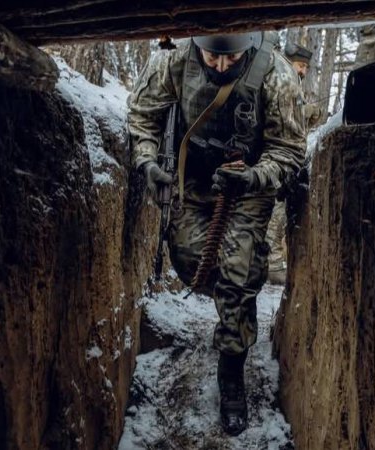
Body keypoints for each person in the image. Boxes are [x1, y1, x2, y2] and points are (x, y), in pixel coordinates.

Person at [127, 32, 306, 435]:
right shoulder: (171, 63)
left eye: (231, 59)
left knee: (238, 271)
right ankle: (234, 304)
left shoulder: (276, 72)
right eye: (212, 58)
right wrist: (147, 162)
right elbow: (141, 114)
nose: (221, 66)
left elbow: (290, 149)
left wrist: (255, 176)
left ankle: (231, 369)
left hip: (249, 186)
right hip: (192, 182)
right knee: (192, 261)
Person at [264, 42, 316, 285]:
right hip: (273, 161)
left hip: (288, 162)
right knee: (273, 216)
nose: (303, 70)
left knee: (279, 216)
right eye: (300, 65)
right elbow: (281, 118)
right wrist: (306, 113)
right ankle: (272, 266)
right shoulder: (280, 79)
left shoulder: (296, 84)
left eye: (305, 66)